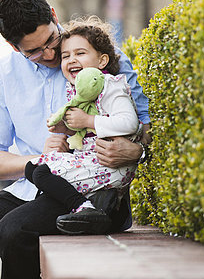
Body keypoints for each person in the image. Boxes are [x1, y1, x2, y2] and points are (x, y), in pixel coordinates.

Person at [0, 0, 151, 279]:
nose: (51, 54)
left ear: (54, 16)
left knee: (13, 232)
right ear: (12, 45)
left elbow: (142, 126)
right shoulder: (5, 73)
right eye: (34, 51)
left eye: (51, 40)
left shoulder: (99, 55)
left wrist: (137, 151)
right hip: (29, 187)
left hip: (88, 191)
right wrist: (40, 160)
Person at [25, 17, 142, 236]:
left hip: (110, 165)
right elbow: (88, 131)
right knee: (34, 168)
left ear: (102, 61)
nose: (71, 60)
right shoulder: (79, 92)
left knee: (39, 172)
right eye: (66, 55)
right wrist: (68, 129)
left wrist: (88, 121)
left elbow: (130, 123)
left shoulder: (111, 87)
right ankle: (89, 205)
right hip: (92, 161)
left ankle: (85, 208)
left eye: (80, 53)